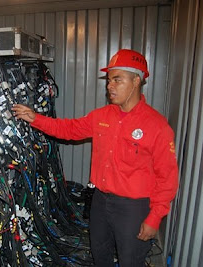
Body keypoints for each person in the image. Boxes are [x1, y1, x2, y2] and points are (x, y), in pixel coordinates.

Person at [12, 49, 178, 267]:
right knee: (100, 254)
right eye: (109, 80)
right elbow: (69, 129)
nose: (110, 86)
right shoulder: (102, 116)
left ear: (136, 81)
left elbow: (167, 178)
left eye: (117, 80)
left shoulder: (156, 126)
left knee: (131, 260)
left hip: (133, 208)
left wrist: (154, 218)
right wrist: (35, 118)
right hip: (100, 201)